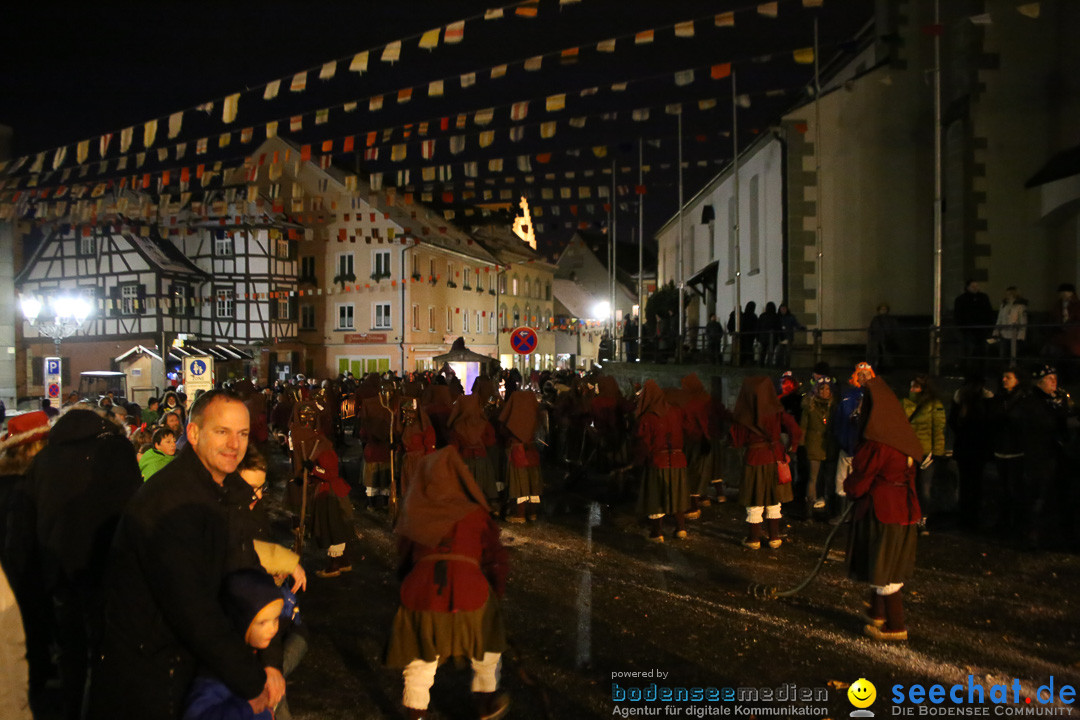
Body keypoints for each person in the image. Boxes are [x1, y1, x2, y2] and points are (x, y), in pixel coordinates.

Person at [88, 390, 283, 720]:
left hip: (194, 667)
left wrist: (269, 662)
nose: (234, 444)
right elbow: (192, 608)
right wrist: (251, 682)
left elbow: (249, 582)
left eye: (243, 434)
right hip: (152, 675)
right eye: (222, 432)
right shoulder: (170, 502)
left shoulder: (230, 493)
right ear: (193, 433)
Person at [385, 447, 510, 720]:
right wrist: (495, 594)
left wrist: (407, 588)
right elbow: (495, 557)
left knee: (420, 658)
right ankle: (486, 702)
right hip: (470, 590)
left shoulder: (414, 512)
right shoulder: (475, 514)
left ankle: (415, 714)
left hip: (423, 592)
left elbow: (404, 559)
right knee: (487, 648)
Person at [845, 377, 926, 642]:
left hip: (883, 511)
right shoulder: (904, 438)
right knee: (884, 561)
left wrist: (851, 488)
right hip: (903, 508)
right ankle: (876, 612)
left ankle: (895, 625)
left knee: (884, 565)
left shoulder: (879, 444)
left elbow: (862, 478)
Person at [182, 569, 284, 720]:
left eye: (275, 619)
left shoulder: (252, 657)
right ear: (241, 622)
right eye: (262, 622)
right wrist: (248, 708)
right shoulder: (217, 674)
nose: (273, 628)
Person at [729, 376, 801, 549]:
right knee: (773, 497)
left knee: (755, 498)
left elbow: (736, 439)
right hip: (775, 457)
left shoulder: (745, 414)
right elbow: (794, 428)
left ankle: (753, 539)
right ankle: (774, 538)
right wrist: (793, 447)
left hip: (754, 458)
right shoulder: (776, 410)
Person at [635, 380, 690, 542]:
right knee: (678, 493)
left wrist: (640, 459)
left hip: (658, 461)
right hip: (679, 460)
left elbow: (643, 442)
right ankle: (680, 529)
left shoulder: (648, 417)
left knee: (656, 495)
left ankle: (657, 532)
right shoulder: (676, 412)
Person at [948, 371, 994, 531]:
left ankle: (965, 516)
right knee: (977, 483)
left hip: (964, 446)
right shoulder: (986, 399)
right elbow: (990, 425)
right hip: (979, 448)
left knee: (965, 483)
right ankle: (974, 516)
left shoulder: (961, 397)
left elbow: (952, 422)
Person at [831, 363, 875, 523]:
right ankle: (843, 513)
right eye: (860, 374)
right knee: (841, 479)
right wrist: (842, 440)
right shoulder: (848, 396)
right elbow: (839, 420)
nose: (863, 377)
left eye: (867, 374)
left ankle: (861, 514)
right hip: (847, 446)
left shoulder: (876, 396)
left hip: (865, 448)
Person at [902, 375, 946, 534]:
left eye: (916, 387)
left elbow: (938, 430)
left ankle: (923, 518)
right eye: (911, 386)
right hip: (908, 452)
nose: (912, 390)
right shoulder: (905, 404)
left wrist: (937, 453)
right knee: (909, 485)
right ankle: (910, 516)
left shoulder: (934, 405)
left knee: (924, 487)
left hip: (926, 453)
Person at [989, 368, 1025, 533]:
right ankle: (1004, 522)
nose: (1004, 380)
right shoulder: (999, 399)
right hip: (1001, 449)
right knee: (1002, 488)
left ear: (1017, 380)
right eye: (1003, 377)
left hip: (1015, 451)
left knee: (1014, 489)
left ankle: (1015, 523)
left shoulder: (1022, 400)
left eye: (1008, 377)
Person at [498, 390, 543, 523]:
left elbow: (503, 428)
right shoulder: (535, 414)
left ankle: (519, 514)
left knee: (519, 482)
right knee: (533, 482)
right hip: (532, 450)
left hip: (518, 450)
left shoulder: (514, 417)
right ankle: (532, 513)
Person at [448, 395, 499, 511]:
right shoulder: (484, 423)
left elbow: (454, 446)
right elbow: (490, 441)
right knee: (483, 488)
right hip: (482, 460)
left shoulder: (457, 426)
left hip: (465, 461)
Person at [799, 376, 836, 519]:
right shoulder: (809, 405)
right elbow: (803, 427)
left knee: (829, 478)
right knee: (813, 477)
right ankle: (809, 510)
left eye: (827, 389)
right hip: (814, 444)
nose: (825, 392)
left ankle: (829, 508)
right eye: (822, 389)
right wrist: (801, 446)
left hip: (830, 445)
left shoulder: (833, 406)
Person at [953, 280, 995, 368]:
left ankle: (980, 367)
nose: (976, 288)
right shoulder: (961, 299)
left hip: (982, 330)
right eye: (973, 286)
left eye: (977, 286)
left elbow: (988, 312)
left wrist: (989, 326)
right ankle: (969, 368)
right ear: (968, 287)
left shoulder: (983, 297)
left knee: (982, 350)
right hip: (968, 330)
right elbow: (958, 315)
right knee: (969, 350)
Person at [989, 287, 1027, 360]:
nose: (1007, 295)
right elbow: (999, 319)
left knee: (1013, 354)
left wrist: (1021, 336)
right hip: (1003, 334)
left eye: (1010, 294)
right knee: (1003, 354)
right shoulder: (1003, 306)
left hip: (1014, 335)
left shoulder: (1020, 307)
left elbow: (1023, 322)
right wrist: (996, 332)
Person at [867, 304, 899, 373]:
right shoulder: (876, 319)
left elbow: (894, 329)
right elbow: (871, 330)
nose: (883, 311)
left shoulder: (890, 319)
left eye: (885, 309)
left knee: (887, 356)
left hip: (887, 340)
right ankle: (877, 369)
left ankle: (887, 369)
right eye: (882, 309)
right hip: (877, 341)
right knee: (877, 355)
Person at [775, 304, 805, 368]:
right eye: (782, 309)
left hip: (788, 336)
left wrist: (801, 327)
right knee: (780, 352)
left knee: (787, 352)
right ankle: (780, 365)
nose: (783, 310)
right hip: (781, 336)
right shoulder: (779, 317)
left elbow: (796, 324)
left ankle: (786, 365)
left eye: (784, 309)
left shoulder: (790, 317)